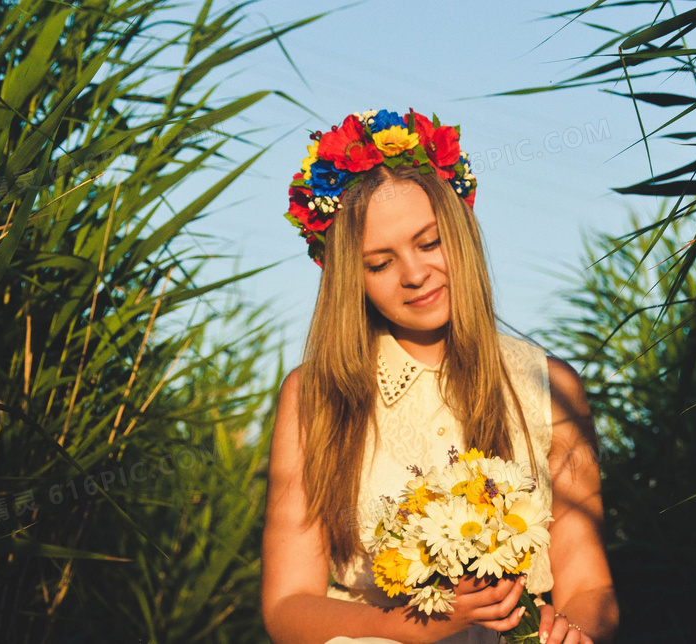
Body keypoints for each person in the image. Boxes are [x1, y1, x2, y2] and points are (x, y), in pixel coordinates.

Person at [260, 109, 619, 644]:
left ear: (461, 231)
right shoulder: (316, 395)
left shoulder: (549, 385)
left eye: (429, 243)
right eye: (379, 263)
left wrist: (573, 633)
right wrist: (410, 626)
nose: (414, 274)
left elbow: (589, 583)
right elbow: (288, 605)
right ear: (347, 279)